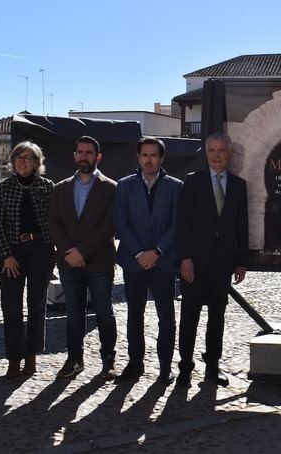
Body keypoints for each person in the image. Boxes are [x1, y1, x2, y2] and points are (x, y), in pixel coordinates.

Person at [176, 132, 248, 387]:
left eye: (221, 151)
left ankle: (212, 367)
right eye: (212, 151)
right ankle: (185, 367)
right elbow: (182, 224)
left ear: (228, 154)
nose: (217, 156)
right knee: (189, 317)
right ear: (206, 153)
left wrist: (241, 261)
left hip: (222, 264)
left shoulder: (239, 186)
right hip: (193, 263)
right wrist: (184, 257)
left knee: (217, 317)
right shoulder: (193, 181)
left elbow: (242, 226)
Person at [48, 136, 118, 381]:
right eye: (79, 152)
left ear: (97, 157)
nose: (83, 156)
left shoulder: (111, 187)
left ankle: (108, 360)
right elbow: (53, 222)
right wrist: (70, 251)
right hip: (68, 263)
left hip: (99, 262)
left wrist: (83, 252)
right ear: (74, 156)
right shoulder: (60, 187)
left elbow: (110, 224)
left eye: (89, 153)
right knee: (73, 313)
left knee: (104, 313)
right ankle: (74, 359)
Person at [114, 137, 183, 384]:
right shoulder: (124, 186)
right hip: (134, 262)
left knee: (166, 316)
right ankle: (135, 364)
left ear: (162, 158)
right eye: (144, 155)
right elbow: (121, 222)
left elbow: (177, 224)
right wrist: (138, 253)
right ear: (138, 157)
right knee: (135, 315)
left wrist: (157, 251)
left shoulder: (176, 187)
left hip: (163, 262)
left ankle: (165, 367)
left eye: (154, 155)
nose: (149, 160)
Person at [0, 141, 56, 379]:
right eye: (18, 156)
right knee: (11, 307)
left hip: (41, 250)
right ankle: (14, 359)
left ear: (36, 162)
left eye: (28, 157)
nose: (22, 161)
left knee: (37, 306)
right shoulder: (4, 187)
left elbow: (55, 221)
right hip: (12, 252)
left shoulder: (47, 186)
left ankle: (31, 356)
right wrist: (6, 255)